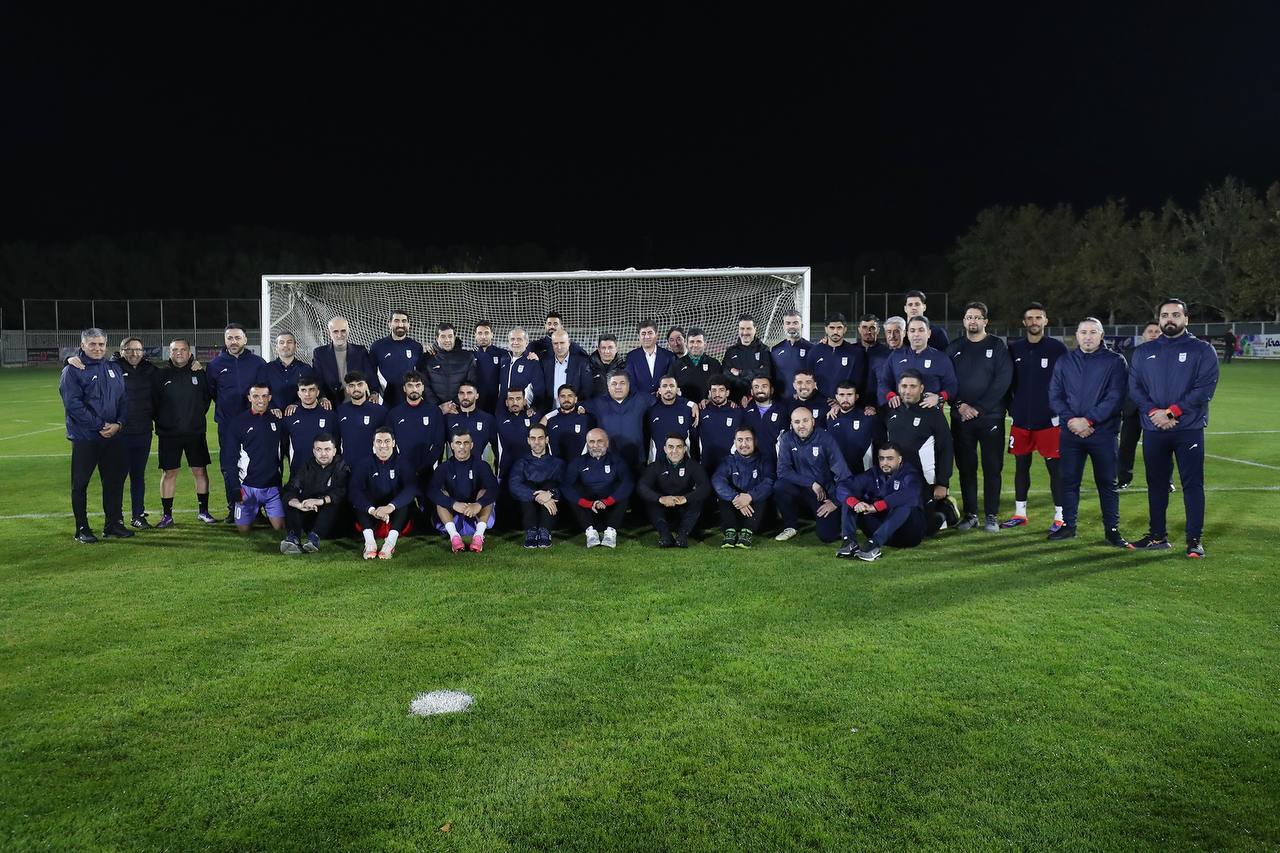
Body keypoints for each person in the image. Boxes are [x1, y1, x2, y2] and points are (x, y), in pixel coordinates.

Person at [1128, 298, 1220, 557]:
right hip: (1154, 428)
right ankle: (1157, 536)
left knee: (1192, 484)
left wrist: (1171, 412)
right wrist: (1153, 413)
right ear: (1159, 319)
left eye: (1175, 315)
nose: (1170, 319)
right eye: (1165, 315)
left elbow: (1205, 388)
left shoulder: (1202, 350)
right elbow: (1135, 388)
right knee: (1156, 484)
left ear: (1186, 319)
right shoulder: (1144, 352)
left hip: (1188, 428)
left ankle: (1194, 540)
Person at [1046, 317, 1130, 546]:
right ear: (1077, 335)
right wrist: (1072, 421)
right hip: (1071, 432)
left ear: (1101, 335)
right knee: (1069, 481)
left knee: (1107, 482)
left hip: (1103, 433)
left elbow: (1115, 397)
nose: (1088, 337)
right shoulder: (1065, 361)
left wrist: (1089, 420)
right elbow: (1054, 395)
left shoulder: (1115, 361)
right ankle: (1069, 526)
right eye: (1083, 332)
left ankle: (1112, 530)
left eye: (1093, 332)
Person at [946, 301, 1013, 533]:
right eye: (969, 317)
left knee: (992, 467)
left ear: (985, 321)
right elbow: (947, 381)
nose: (972, 321)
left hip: (990, 418)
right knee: (966, 468)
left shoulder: (997, 346)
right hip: (961, 418)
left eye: (977, 317)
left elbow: (1003, 381)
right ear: (964, 321)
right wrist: (960, 405)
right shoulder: (954, 347)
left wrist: (980, 408)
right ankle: (971, 514)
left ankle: (991, 515)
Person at [61, 328, 132, 543]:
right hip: (86, 438)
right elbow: (73, 405)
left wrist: (119, 424)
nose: (97, 348)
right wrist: (100, 424)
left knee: (113, 482)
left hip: (113, 436)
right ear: (82, 345)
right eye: (92, 344)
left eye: (101, 344)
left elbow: (123, 400)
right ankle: (82, 528)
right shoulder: (73, 370)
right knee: (80, 484)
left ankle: (113, 524)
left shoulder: (113, 368)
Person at [1002, 302, 1068, 531]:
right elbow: (1006, 381)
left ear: (1045, 321)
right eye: (1030, 318)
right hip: (1021, 420)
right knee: (1021, 466)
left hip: (1049, 421)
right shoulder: (1014, 349)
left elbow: (1066, 381)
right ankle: (1020, 513)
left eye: (1038, 317)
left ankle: (1060, 516)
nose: (1034, 322)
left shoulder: (1057, 349)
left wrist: (1059, 409)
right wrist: (1011, 407)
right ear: (1024, 322)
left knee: (1055, 469)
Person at [881, 371, 958, 530]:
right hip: (897, 479)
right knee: (895, 523)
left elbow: (946, 449)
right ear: (898, 387)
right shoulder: (890, 410)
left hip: (925, 481)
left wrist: (942, 483)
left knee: (922, 528)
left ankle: (945, 510)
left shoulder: (933, 414)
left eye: (912, 386)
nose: (907, 391)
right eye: (904, 386)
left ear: (921, 388)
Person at [152, 338, 216, 527]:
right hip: (168, 434)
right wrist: (165, 421)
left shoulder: (199, 373)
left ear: (189, 352)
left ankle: (203, 512)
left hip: (195, 432)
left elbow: (206, 400)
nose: (179, 353)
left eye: (182, 349)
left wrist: (194, 417)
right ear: (169, 352)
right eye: (175, 350)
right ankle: (167, 515)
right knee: (169, 472)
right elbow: (153, 403)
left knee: (200, 470)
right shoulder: (160, 374)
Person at [209, 323, 269, 522]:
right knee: (230, 467)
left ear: (245, 339)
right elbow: (212, 392)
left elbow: (264, 391)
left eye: (237, 337)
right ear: (225, 340)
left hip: (255, 423)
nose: (233, 341)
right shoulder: (215, 365)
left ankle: (256, 510)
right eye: (229, 338)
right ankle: (233, 507)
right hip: (227, 425)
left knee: (256, 465)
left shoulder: (258, 363)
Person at [835, 442, 928, 561]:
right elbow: (843, 486)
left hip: (907, 535)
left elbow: (911, 493)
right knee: (850, 498)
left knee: (905, 503)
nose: (885, 463)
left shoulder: (910, 474)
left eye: (890, 459)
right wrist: (855, 503)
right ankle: (849, 541)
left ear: (899, 459)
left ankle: (874, 545)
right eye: (881, 458)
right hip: (882, 530)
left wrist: (878, 506)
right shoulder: (874, 473)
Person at [774, 407, 851, 543]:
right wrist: (811, 483)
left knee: (827, 536)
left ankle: (833, 520)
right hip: (803, 489)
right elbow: (782, 471)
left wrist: (835, 502)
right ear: (791, 424)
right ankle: (790, 526)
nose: (801, 425)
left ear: (813, 422)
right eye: (797, 422)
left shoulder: (826, 439)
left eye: (805, 421)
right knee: (780, 486)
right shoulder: (787, 439)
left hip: (824, 494)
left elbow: (843, 474)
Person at [349, 427, 417, 560]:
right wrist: (371, 510)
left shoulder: (403, 462)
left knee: (405, 502)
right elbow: (354, 490)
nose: (383, 445)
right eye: (379, 441)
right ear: (373, 444)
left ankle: (390, 544)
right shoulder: (364, 463)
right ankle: (370, 543)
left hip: (395, 511)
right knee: (359, 502)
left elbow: (411, 489)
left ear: (393, 443)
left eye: (387, 441)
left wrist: (390, 507)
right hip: (372, 512)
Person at [428, 430, 499, 553]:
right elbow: (432, 491)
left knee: (484, 492)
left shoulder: (482, 465)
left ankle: (479, 536)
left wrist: (479, 504)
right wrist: (453, 504)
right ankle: (454, 537)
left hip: (477, 516)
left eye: (466, 443)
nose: (462, 447)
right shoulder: (443, 468)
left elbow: (494, 489)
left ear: (471, 445)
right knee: (441, 495)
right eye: (458, 443)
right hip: (452, 517)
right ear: (452, 445)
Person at [279, 432, 350, 554]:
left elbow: (341, 492)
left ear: (334, 451)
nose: (323, 454)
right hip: (311, 514)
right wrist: (298, 504)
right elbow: (290, 488)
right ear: (314, 451)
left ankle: (314, 538)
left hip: (335, 522)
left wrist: (320, 501)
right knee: (292, 500)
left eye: (327, 449)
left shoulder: (341, 466)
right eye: (319, 449)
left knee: (333, 502)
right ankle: (293, 538)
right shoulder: (307, 466)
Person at [562, 428, 633, 548]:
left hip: (609, 507)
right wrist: (587, 504)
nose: (595, 445)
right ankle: (590, 532)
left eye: (600, 441)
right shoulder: (578, 462)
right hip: (588, 509)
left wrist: (607, 501)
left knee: (622, 491)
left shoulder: (617, 461)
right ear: (587, 444)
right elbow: (566, 486)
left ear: (607, 443)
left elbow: (628, 483)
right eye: (592, 442)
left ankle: (610, 532)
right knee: (575, 490)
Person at [112, 337, 157, 528]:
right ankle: (116, 518)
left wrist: (193, 362)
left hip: (143, 431)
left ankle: (138, 515)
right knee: (118, 477)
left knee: (138, 476)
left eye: (138, 349)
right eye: (129, 349)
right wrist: (69, 360)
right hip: (120, 432)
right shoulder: (112, 368)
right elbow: (88, 368)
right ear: (122, 351)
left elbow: (172, 373)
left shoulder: (150, 369)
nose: (134, 353)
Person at [229, 383, 286, 535]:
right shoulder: (238, 422)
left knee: (280, 528)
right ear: (249, 398)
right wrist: (235, 488)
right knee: (243, 531)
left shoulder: (277, 420)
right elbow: (229, 459)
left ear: (270, 398)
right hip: (247, 488)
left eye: (264, 396)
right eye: (256, 396)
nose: (260, 400)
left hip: (272, 487)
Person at [637, 433, 710, 547]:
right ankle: (665, 535)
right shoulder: (656, 466)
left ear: (684, 449)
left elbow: (705, 486)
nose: (674, 451)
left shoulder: (693, 466)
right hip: (663, 508)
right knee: (651, 501)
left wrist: (685, 498)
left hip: (683, 507)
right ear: (665, 449)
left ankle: (682, 536)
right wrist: (660, 498)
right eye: (671, 447)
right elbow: (642, 486)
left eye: (679, 447)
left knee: (697, 500)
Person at [385, 370, 446, 503]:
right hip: (402, 470)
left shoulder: (434, 412)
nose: (414, 389)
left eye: (418, 385)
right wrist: (401, 465)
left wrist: (426, 465)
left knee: (429, 507)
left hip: (427, 470)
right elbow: (389, 444)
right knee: (403, 507)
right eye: (410, 386)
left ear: (423, 387)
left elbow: (438, 443)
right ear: (404, 388)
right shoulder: (394, 414)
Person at [712, 426, 774, 549]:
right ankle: (730, 531)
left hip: (757, 515)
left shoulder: (765, 461)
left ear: (755, 441)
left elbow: (769, 482)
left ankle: (747, 532)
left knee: (761, 494)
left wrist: (750, 496)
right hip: (735, 509)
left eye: (748, 439)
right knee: (723, 494)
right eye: (740, 440)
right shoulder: (728, 461)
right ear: (734, 442)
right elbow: (717, 480)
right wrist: (736, 497)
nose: (744, 444)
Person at [1118, 322, 1163, 489]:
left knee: (1160, 448)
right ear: (1143, 335)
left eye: (1157, 331)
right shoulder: (1130, 354)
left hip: (1157, 410)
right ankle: (1123, 479)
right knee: (1126, 446)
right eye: (1150, 331)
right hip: (1132, 408)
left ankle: (1166, 481)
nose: (1153, 334)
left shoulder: (1169, 354)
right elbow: (1121, 381)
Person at [877, 316, 957, 407]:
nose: (916, 334)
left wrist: (939, 397)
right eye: (912, 330)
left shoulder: (941, 358)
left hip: (930, 412)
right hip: (902, 411)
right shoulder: (895, 356)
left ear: (929, 333)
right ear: (907, 334)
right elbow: (883, 382)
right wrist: (891, 396)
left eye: (921, 330)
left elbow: (952, 386)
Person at [507, 424, 565, 548]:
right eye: (533, 438)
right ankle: (531, 531)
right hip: (527, 508)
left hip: (553, 511)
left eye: (540, 438)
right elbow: (514, 485)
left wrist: (550, 493)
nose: (537, 442)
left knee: (549, 484)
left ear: (547, 439)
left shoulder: (558, 463)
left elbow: (566, 485)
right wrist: (539, 496)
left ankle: (545, 531)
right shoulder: (521, 463)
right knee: (527, 485)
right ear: (528, 441)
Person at [584, 371, 649, 475]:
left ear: (629, 385)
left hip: (637, 460)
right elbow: (575, 406)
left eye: (622, 383)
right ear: (608, 386)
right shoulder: (597, 403)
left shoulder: (642, 399)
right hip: (608, 462)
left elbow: (663, 401)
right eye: (614, 384)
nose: (618, 387)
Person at [312, 316, 379, 405]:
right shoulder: (319, 353)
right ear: (329, 333)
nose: (339, 335)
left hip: (358, 401)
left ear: (348, 331)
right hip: (330, 403)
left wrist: (374, 392)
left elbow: (370, 375)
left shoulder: (360, 351)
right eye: (335, 331)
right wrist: (322, 397)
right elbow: (317, 379)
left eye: (343, 331)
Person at [826, 380, 884, 475]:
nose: (845, 399)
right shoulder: (830, 418)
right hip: (836, 475)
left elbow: (882, 446)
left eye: (849, 395)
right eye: (841, 395)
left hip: (863, 475)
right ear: (836, 397)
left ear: (856, 397)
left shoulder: (868, 418)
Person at [369, 309, 424, 408]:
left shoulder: (416, 347)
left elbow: (421, 373)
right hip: (385, 399)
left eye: (404, 321)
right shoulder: (377, 346)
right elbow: (371, 372)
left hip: (409, 398)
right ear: (389, 324)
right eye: (396, 321)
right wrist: (374, 391)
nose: (400, 325)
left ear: (409, 324)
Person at [419, 323, 477, 411]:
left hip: (460, 409)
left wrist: (454, 404)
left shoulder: (467, 357)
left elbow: (471, 383)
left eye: (450, 336)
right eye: (443, 336)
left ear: (454, 337)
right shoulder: (427, 358)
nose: (447, 340)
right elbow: (425, 385)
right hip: (435, 409)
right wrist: (438, 406)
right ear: (437, 338)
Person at [810, 313, 865, 401]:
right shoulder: (815, 351)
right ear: (826, 329)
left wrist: (842, 401)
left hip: (845, 403)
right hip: (820, 403)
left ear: (845, 329)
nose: (835, 332)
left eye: (839, 328)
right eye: (832, 328)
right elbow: (809, 379)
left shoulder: (855, 353)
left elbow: (858, 382)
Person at [335, 371, 388, 461]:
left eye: (360, 384)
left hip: (373, 464)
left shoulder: (380, 411)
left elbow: (387, 440)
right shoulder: (341, 411)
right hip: (348, 464)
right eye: (351, 385)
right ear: (347, 389)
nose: (356, 388)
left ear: (366, 386)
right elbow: (336, 440)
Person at [698, 376, 743, 478]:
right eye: (714, 390)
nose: (717, 394)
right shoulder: (701, 411)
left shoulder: (737, 412)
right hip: (706, 464)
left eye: (721, 390)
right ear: (709, 392)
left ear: (727, 393)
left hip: (730, 466)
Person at [646, 376, 699, 461]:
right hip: (659, 462)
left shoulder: (688, 409)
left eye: (672, 386)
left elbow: (694, 438)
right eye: (664, 386)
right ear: (659, 390)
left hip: (683, 463)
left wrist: (695, 461)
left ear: (677, 389)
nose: (668, 389)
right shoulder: (651, 410)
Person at [537, 329, 593, 411]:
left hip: (574, 411)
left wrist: (578, 407)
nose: (559, 347)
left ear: (569, 343)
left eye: (562, 343)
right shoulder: (544, 363)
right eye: (555, 343)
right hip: (549, 411)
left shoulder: (582, 363)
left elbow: (587, 390)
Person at [722, 313, 773, 402]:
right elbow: (726, 374)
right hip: (735, 400)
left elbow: (766, 372)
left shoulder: (764, 350)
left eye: (748, 328)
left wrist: (740, 373)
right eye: (742, 329)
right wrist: (753, 374)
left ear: (755, 329)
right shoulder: (730, 351)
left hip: (758, 400)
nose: (745, 332)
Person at [282, 376, 332, 466]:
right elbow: (284, 445)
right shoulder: (289, 417)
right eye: (303, 390)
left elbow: (336, 445)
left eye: (311, 390)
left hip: (324, 471)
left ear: (318, 392)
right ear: (298, 394)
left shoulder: (330, 416)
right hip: (298, 470)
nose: (307, 394)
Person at [666, 326, 722, 401]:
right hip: (685, 407)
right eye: (692, 342)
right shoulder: (676, 365)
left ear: (705, 344)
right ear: (686, 344)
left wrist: (709, 401)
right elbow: (670, 388)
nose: (695, 345)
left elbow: (721, 388)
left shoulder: (715, 364)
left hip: (708, 406)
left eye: (699, 342)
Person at [445, 381, 497, 460]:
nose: (465, 397)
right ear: (458, 395)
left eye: (469, 393)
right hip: (454, 466)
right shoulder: (448, 418)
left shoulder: (487, 419)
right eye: (462, 393)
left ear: (477, 396)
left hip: (478, 466)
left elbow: (496, 447)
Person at [265, 332, 315, 414]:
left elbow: (312, 392)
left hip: (300, 414)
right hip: (273, 416)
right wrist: (272, 407)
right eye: (281, 342)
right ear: (276, 348)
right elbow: (261, 392)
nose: (285, 345)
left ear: (296, 347)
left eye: (289, 342)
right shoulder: (266, 369)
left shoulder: (306, 369)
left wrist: (297, 404)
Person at [742, 376, 786, 465]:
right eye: (756, 387)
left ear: (771, 390)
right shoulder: (745, 412)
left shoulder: (783, 411)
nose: (760, 390)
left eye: (764, 386)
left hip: (775, 463)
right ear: (751, 391)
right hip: (750, 464)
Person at [498, 327, 545, 410]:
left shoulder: (532, 362)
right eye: (512, 339)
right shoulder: (503, 360)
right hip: (502, 410)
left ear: (526, 343)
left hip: (523, 411)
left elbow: (539, 390)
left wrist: (534, 407)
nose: (515, 342)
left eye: (519, 339)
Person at [770, 309, 812, 401]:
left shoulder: (812, 349)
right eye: (788, 323)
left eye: (795, 323)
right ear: (783, 326)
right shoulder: (775, 349)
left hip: (804, 401)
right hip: (780, 401)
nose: (791, 326)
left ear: (801, 325)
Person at [543, 384, 595, 459]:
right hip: (555, 465)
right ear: (558, 399)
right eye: (563, 396)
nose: (566, 399)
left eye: (570, 396)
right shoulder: (550, 421)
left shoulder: (586, 419)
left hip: (579, 464)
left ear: (575, 399)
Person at [624, 319, 675, 396]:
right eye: (643, 333)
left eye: (650, 333)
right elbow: (630, 381)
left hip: (663, 400)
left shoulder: (669, 356)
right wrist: (642, 398)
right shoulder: (631, 357)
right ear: (639, 336)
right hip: (640, 400)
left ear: (656, 335)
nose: (647, 336)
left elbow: (671, 379)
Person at [496, 388, 537, 483]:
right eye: (511, 399)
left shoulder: (534, 417)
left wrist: (533, 409)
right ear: (506, 402)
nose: (515, 402)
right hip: (506, 470)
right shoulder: (498, 419)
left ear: (524, 401)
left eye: (518, 399)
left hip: (530, 471)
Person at [471, 320, 508, 412]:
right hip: (476, 402)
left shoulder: (503, 354)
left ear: (492, 334)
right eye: (480, 333)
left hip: (497, 402)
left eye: (486, 333)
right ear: (475, 335)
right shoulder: (470, 355)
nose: (483, 336)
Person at [857, 315, 891, 412]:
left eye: (872, 328)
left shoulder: (887, 353)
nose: (868, 331)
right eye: (864, 327)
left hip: (880, 405)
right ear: (859, 329)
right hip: (854, 404)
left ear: (878, 330)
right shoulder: (851, 351)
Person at [588, 334, 623, 399]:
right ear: (598, 349)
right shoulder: (587, 367)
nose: (607, 351)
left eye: (610, 347)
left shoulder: (624, 367)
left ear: (616, 348)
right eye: (603, 348)